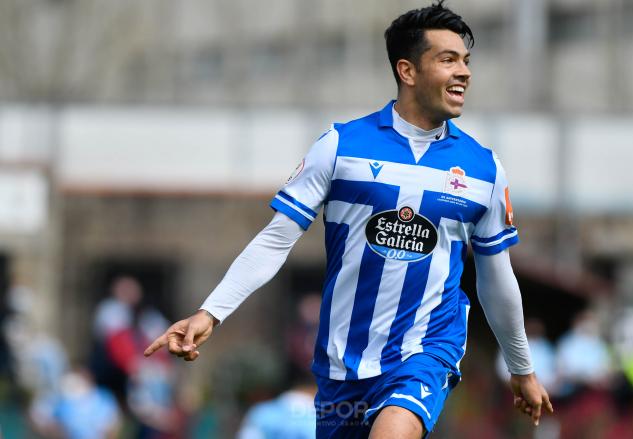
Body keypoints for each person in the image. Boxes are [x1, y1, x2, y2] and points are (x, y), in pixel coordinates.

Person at [145, 2, 553, 437]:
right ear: (407, 71)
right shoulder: (341, 148)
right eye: (447, 59)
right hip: (343, 362)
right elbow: (275, 239)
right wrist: (211, 313)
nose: (464, 72)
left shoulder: (483, 169)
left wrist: (521, 367)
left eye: (466, 61)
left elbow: (495, 278)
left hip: (426, 349)